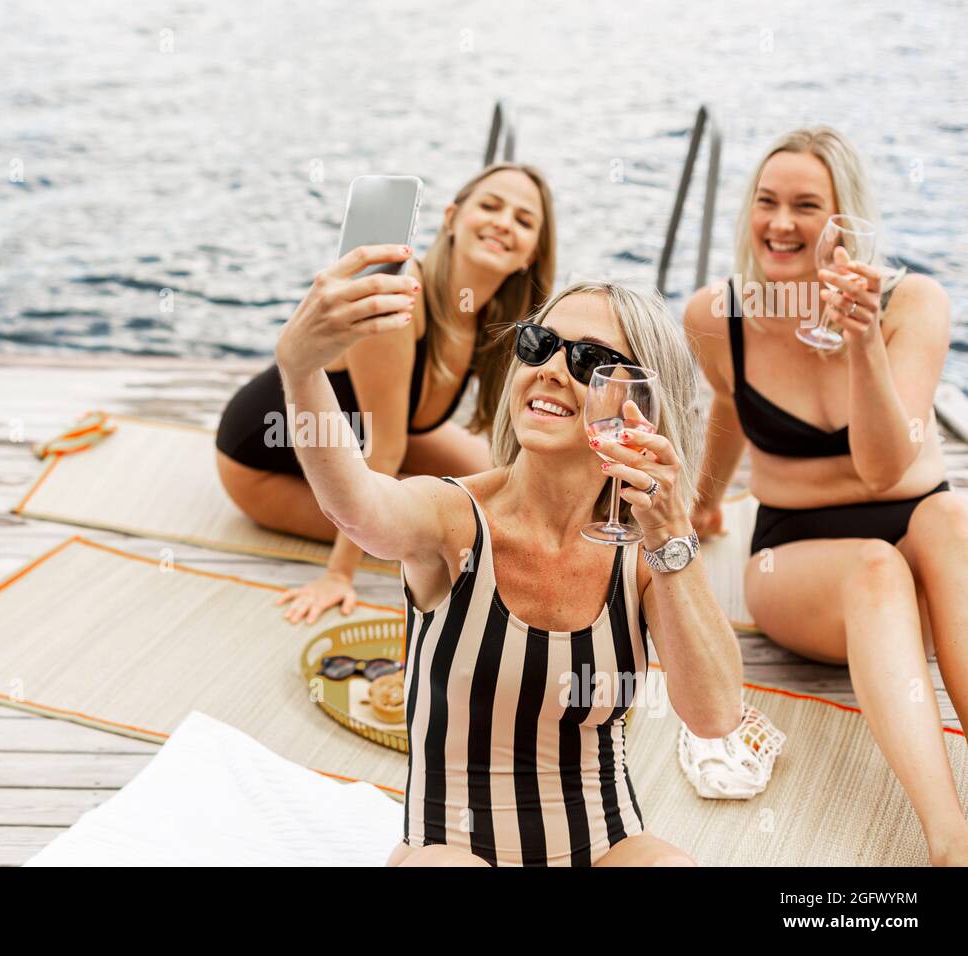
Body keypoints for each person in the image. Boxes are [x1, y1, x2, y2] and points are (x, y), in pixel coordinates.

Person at [276, 251, 743, 866]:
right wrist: (301, 368)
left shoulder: (647, 551)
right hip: (451, 853)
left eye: (589, 360)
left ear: (643, 404)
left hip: (602, 850)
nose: (551, 368)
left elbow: (714, 717)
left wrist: (673, 542)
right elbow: (358, 507)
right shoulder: (452, 517)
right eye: (540, 343)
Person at [684, 126, 968, 865]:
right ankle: (950, 840)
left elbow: (882, 470)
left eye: (806, 205)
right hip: (800, 553)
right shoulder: (717, 316)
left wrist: (863, 343)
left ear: (845, 220)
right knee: (875, 566)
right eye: (766, 202)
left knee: (949, 516)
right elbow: (725, 404)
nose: (781, 223)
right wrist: (705, 499)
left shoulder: (913, 305)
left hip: (918, 529)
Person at [215, 163, 556, 624]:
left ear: (531, 254)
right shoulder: (399, 299)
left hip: (364, 435)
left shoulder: (486, 319)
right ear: (452, 218)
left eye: (523, 219)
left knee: (505, 481)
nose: (503, 222)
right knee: (454, 535)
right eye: (490, 206)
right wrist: (339, 575)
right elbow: (384, 449)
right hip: (262, 460)